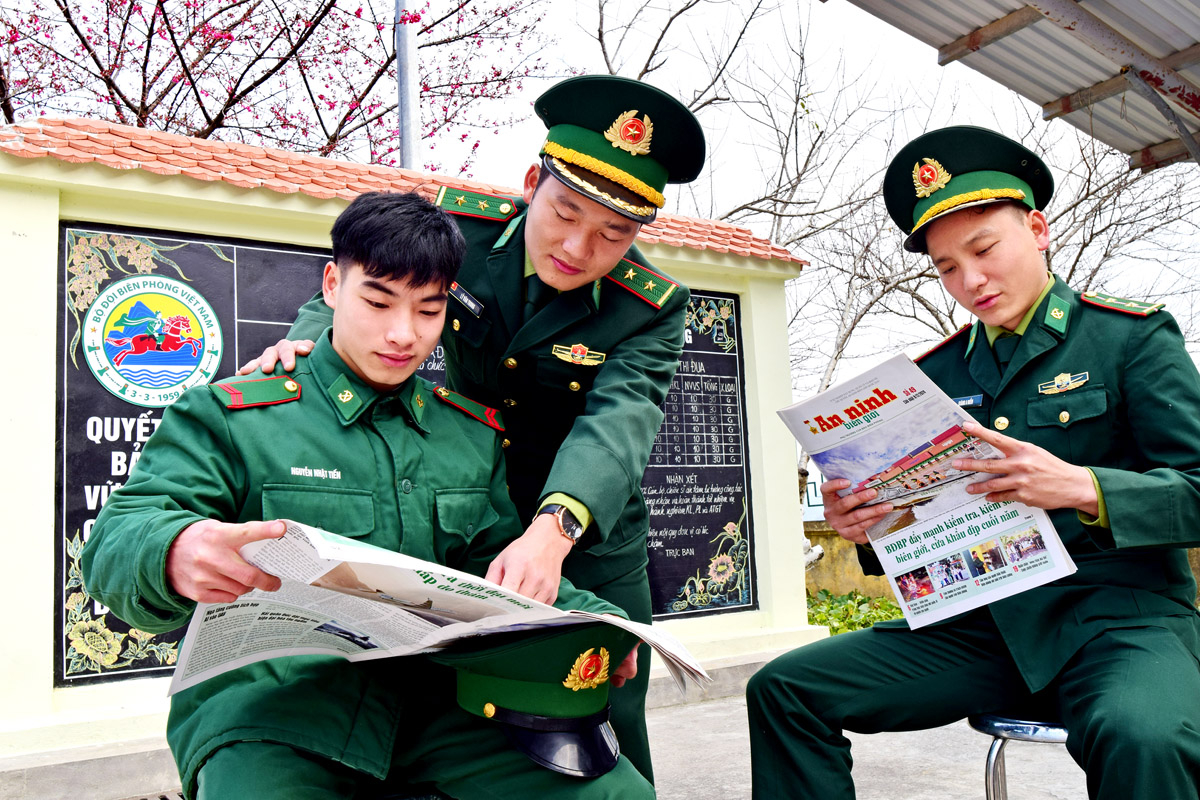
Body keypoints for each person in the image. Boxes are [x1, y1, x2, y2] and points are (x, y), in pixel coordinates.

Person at [81, 191, 652, 800]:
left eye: (429, 311)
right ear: (332, 285)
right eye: (378, 302)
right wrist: (173, 549)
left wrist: (596, 622)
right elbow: (114, 543)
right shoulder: (231, 417)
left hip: (440, 707)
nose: (403, 334)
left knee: (616, 795)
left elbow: (498, 576)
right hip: (276, 714)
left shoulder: (468, 435)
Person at [241, 74, 707, 781]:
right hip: (469, 503)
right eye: (565, 214)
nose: (579, 248)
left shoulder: (650, 306)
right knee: (479, 701)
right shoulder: (464, 228)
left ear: (639, 233)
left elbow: (620, 423)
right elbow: (364, 284)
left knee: (602, 707)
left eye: (613, 233)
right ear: (531, 184)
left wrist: (554, 532)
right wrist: (301, 346)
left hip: (584, 528)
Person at [746, 126, 1200, 799]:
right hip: (982, 624)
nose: (971, 280)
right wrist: (872, 525)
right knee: (784, 691)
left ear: (1038, 229)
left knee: (1145, 735)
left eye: (984, 249)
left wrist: (1084, 488)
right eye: (946, 267)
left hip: (1118, 619)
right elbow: (925, 531)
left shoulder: (1128, 337)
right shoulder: (932, 374)